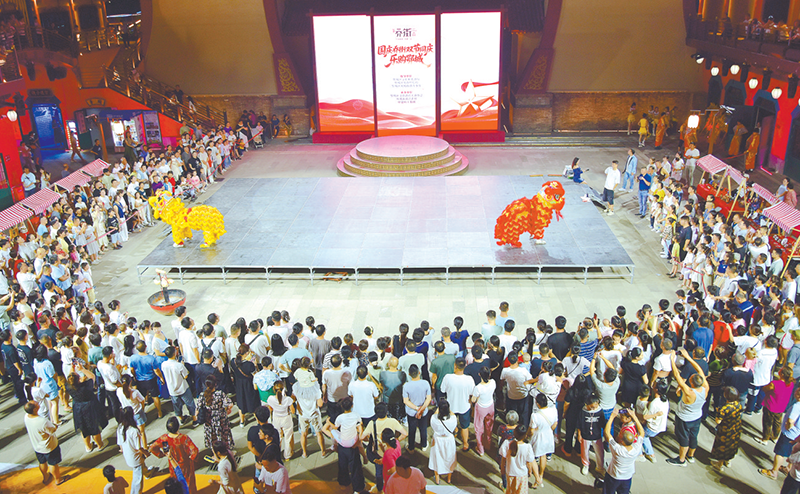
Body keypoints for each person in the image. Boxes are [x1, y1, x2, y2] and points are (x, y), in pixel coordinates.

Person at [667, 350, 708, 467]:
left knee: (683, 438)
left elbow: (677, 376)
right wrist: (689, 358)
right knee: (693, 436)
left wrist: (672, 360)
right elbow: (699, 370)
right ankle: (690, 456)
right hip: (697, 417)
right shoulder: (705, 387)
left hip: (684, 418)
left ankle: (681, 460)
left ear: (691, 382)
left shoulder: (690, 392)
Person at [322, 396, 365, 492]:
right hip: (353, 444)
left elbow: (334, 428)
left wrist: (328, 422)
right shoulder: (356, 415)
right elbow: (360, 427)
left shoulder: (339, 418)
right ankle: (358, 487)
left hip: (342, 445)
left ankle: (344, 483)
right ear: (352, 406)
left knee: (342, 465)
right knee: (355, 467)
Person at [149, 417, 199, 494]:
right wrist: (191, 459)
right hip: (185, 465)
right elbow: (195, 451)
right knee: (188, 484)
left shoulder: (164, 438)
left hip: (172, 464)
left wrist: (161, 454)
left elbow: (152, 448)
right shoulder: (184, 438)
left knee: (175, 484)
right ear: (178, 426)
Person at [65, 362, 107, 452]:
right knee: (94, 427)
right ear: (79, 379)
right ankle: (100, 445)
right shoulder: (85, 386)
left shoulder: (69, 386)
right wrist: (82, 369)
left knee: (83, 428)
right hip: (89, 407)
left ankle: (88, 447)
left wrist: (72, 368)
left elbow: (71, 378)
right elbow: (92, 376)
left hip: (78, 408)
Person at [760, 386, 800, 479]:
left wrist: (788, 427)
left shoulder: (797, 406)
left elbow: (791, 421)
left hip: (790, 434)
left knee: (780, 453)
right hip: (798, 436)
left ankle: (774, 472)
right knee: (792, 452)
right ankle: (788, 468)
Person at [603, 407, 645, 494]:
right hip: (627, 477)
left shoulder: (617, 449)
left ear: (622, 441)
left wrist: (612, 416)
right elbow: (642, 433)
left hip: (614, 476)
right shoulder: (637, 448)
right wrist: (634, 416)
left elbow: (607, 433)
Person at [23, 401, 64, 485]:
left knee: (42, 462)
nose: (38, 403)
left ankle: (46, 477)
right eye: (36, 404)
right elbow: (52, 430)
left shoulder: (26, 417)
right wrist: (55, 425)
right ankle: (58, 479)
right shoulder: (42, 421)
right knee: (53, 463)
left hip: (37, 446)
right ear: (35, 409)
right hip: (48, 446)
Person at [117, 407, 155, 494]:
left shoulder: (120, 427)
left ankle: (148, 473)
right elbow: (139, 448)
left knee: (141, 467)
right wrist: (146, 453)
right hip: (136, 458)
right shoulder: (134, 431)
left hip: (128, 455)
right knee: (137, 478)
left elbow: (120, 445)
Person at [440, 357, 474, 451]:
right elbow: (472, 393)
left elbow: (443, 390)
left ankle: (453, 437)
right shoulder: (469, 379)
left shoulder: (448, 377)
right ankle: (465, 444)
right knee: (465, 427)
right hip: (465, 406)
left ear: (455, 366)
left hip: (451, 407)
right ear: (465, 366)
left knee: (451, 425)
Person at [710, 387, 743, 471]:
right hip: (735, 429)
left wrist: (718, 412)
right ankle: (728, 461)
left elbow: (718, 421)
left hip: (725, 431)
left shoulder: (724, 408)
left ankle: (719, 464)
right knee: (732, 446)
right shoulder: (738, 404)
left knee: (723, 447)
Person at [499, 426, 538, 494]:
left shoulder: (507, 443)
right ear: (525, 436)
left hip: (510, 473)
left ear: (514, 433)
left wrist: (502, 470)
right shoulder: (527, 447)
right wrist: (530, 471)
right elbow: (529, 462)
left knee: (510, 491)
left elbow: (503, 460)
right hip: (522, 474)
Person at [529, 393, 556, 487]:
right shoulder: (553, 410)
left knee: (532, 457)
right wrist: (548, 430)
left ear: (538, 404)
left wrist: (529, 435)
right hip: (548, 435)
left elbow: (532, 430)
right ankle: (541, 475)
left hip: (538, 436)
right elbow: (555, 424)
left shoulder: (535, 415)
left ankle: (537, 478)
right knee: (543, 456)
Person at [403, 363, 432, 452]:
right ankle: (424, 445)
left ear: (409, 374)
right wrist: (421, 409)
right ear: (419, 372)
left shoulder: (406, 386)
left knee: (412, 429)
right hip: (423, 411)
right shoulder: (425, 383)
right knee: (423, 428)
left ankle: (411, 447)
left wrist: (416, 408)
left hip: (411, 411)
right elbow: (428, 398)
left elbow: (406, 401)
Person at [428, 398, 457, 484]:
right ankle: (449, 479)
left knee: (437, 458)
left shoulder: (434, 419)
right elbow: (452, 414)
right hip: (449, 441)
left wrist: (439, 408)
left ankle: (437, 479)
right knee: (449, 458)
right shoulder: (453, 419)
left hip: (438, 441)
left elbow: (435, 415)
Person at [202, 375, 235, 448]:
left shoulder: (203, 395)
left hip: (209, 419)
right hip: (220, 418)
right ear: (215, 384)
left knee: (212, 435)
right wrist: (226, 409)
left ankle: (214, 450)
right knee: (223, 434)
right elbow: (230, 404)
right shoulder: (220, 393)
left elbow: (197, 410)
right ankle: (226, 448)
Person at [471, 366, 496, 456]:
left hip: (481, 407)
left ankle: (480, 449)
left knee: (478, 428)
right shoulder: (493, 382)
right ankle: (488, 444)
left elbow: (473, 400)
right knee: (489, 426)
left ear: (479, 374)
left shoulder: (478, 387)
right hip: (490, 406)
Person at [266, 380, 295, 460]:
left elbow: (271, 409)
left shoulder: (270, 399)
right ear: (283, 389)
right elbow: (293, 411)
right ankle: (287, 455)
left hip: (276, 419)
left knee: (278, 437)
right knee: (288, 437)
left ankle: (277, 455)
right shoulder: (288, 399)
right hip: (286, 418)